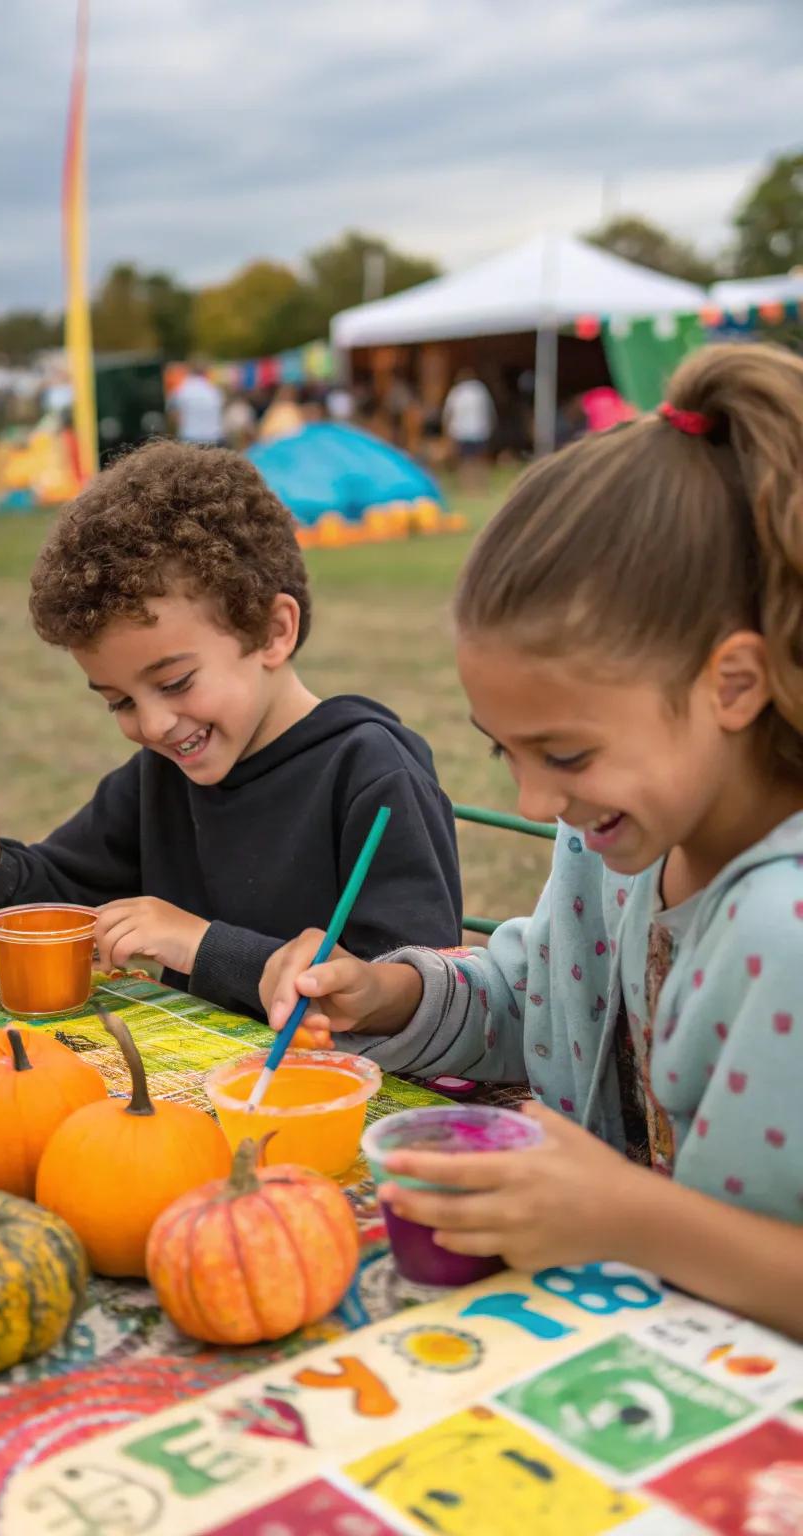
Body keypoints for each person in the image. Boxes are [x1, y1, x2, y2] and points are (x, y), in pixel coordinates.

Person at [260, 343, 803, 1339]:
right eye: (505, 753)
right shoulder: (621, 838)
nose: (534, 796)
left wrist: (625, 1217)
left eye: (563, 752)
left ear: (734, 683)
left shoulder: (784, 925)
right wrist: (392, 990)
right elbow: (541, 1002)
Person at [0, 442, 463, 1019]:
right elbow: (57, 902)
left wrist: (200, 945)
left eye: (174, 683)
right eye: (119, 701)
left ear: (273, 631)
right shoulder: (162, 776)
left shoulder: (371, 773)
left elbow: (413, 999)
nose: (152, 725)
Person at [442, 368, 495, 495]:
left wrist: (447, 433)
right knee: (479, 460)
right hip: (479, 430)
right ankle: (481, 488)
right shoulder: (480, 390)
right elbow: (490, 411)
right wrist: (491, 427)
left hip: (461, 431)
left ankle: (467, 488)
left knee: (465, 462)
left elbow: (448, 415)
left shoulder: (456, 392)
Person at [167, 360, 223, 446]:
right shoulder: (214, 390)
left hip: (189, 437)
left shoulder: (181, 389)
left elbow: (172, 414)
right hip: (213, 438)